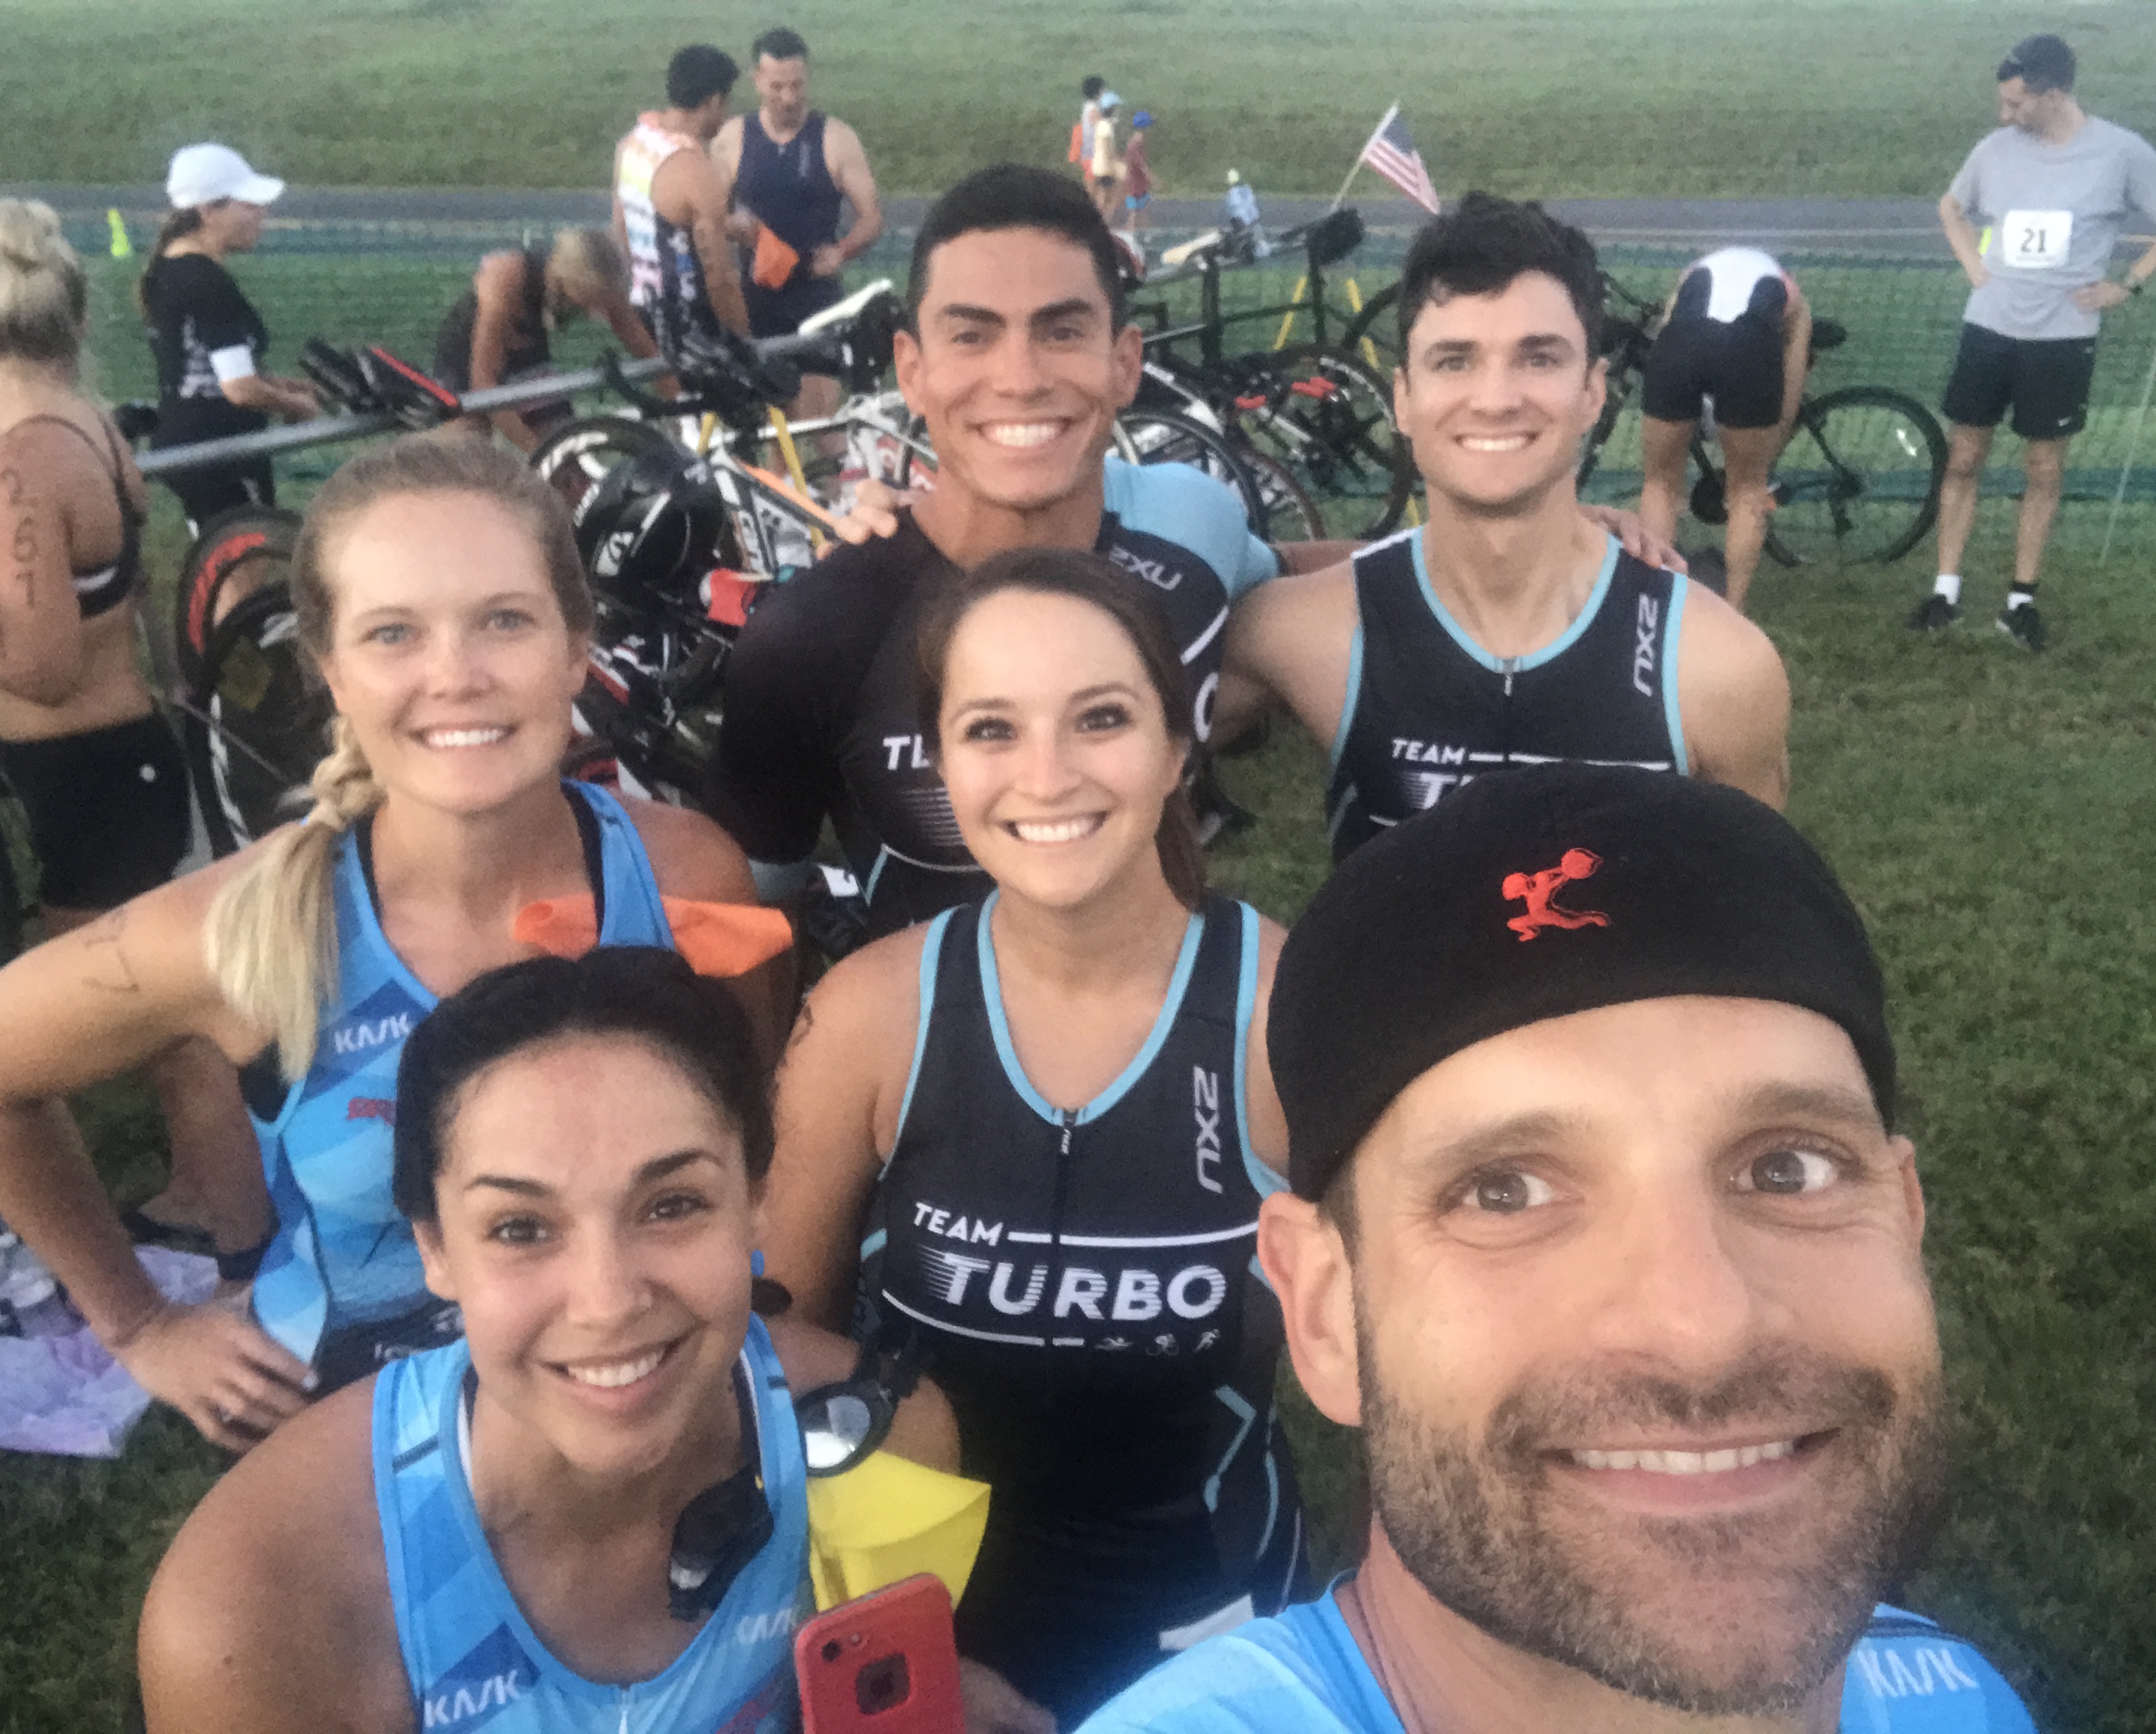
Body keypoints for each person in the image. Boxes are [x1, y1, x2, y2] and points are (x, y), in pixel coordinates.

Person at [1078, 762, 2037, 1733]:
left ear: (1905, 1218)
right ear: (1325, 1312)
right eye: (1505, 1193)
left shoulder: (1961, 1701)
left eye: (1789, 1169)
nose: (1703, 1328)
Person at [0, 437, 781, 1448]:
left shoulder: (684, 875)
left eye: (505, 621)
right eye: (393, 633)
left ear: (578, 648)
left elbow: (754, 1127)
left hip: (655, 1387)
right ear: (332, 672)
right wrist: (139, 1324)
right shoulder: (251, 927)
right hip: (377, 1436)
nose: (456, 676)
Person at [138, 945, 961, 1734]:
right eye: (521, 1227)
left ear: (755, 1202)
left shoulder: (887, 1449)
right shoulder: (263, 1608)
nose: (607, 1303)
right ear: (434, 1248)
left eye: (672, 1205)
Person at [767, 549, 1302, 1724]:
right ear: (941, 762)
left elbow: (1422, 1378)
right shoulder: (867, 1016)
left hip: (1206, 1626)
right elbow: (775, 1358)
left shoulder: (1291, 1013)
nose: (1047, 775)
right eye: (992, 730)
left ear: (1179, 744)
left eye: (1100, 718)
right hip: (918, 1631)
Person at [705, 164, 1333, 939]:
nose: (1021, 378)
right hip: (929, 1018)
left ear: (1125, 362)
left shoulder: (1193, 520)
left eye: (1062, 331)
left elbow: (1320, 592)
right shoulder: (813, 634)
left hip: (1179, 1003)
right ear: (912, 371)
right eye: (971, 335)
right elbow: (742, 925)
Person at [1214, 194, 1790, 861]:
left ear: (1593, 393)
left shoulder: (1719, 668)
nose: (1495, 400)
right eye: (1453, 360)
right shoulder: (1296, 633)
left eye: (1539, 358)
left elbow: (1755, 906)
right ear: (1403, 397)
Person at [0, 198, 265, 1256]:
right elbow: (115, 604)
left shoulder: (17, 469)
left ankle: (232, 1227)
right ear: (79, 320)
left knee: (150, 1024)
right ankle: (203, 1196)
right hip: (120, 751)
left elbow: (42, 672)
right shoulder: (93, 429)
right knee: (166, 1016)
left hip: (79, 765)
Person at [1914, 32, 2156, 652]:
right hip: (1989, 330)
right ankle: (1945, 590)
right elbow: (1951, 208)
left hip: (2062, 339)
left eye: (2015, 104)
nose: (2005, 115)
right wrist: (1975, 269)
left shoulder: (2120, 153)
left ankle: (2021, 601)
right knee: (1964, 457)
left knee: (2044, 467)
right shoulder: (1994, 150)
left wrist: (2129, 284)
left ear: (2052, 96)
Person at [140, 144, 324, 530]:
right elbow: (238, 388)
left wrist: (284, 386)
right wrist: (295, 405)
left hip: (187, 443)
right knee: (248, 558)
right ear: (208, 211)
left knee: (216, 557)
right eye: (248, 205)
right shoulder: (207, 282)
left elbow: (203, 366)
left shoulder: (166, 270)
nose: (261, 214)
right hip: (219, 451)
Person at [713, 27, 885, 428]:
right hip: (757, 297)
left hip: (815, 297)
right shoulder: (733, 138)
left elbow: (873, 218)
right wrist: (742, 230)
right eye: (777, 87)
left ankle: (835, 468)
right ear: (757, 80)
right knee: (766, 430)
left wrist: (843, 251)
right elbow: (710, 216)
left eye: (797, 85)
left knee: (818, 423)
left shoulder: (836, 138)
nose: (789, 98)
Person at [1636, 246, 1813, 610]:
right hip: (1747, 349)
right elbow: (1793, 379)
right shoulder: (1793, 297)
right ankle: (1733, 612)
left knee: (1660, 484)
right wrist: (1774, 433)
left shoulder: (1691, 275)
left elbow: (1667, 335)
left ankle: (1653, 602)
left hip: (1680, 346)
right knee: (1747, 493)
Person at [430, 229, 658, 452]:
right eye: (589, 301)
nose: (593, 313)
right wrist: (540, 453)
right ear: (564, 280)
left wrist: (676, 401)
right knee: (467, 448)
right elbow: (483, 384)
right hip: (467, 358)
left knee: (567, 448)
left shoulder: (605, 280)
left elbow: (646, 350)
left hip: (526, 352)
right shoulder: (508, 277)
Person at [612, 44, 753, 377]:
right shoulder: (695, 170)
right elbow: (719, 275)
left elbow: (621, 227)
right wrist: (746, 342)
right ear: (713, 100)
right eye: (726, 102)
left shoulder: (632, 144)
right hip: (688, 320)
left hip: (643, 306)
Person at [1090, 93, 1124, 223]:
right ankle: (1104, 220)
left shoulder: (1101, 125)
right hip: (1106, 167)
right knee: (1109, 194)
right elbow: (1108, 150)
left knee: (1103, 192)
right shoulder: (1107, 127)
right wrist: (1117, 164)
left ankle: (1101, 218)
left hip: (1099, 166)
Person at [1122, 111, 1159, 235]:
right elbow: (1141, 164)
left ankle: (1144, 230)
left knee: (1142, 211)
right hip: (1136, 182)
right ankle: (1133, 233)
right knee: (1135, 213)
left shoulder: (1133, 143)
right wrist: (1151, 178)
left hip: (1137, 181)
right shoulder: (1136, 144)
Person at [1072, 76, 1108, 183]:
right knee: (1093, 176)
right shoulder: (1093, 107)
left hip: (1090, 148)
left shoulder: (1089, 105)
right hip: (1092, 149)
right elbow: (1097, 123)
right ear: (1097, 92)